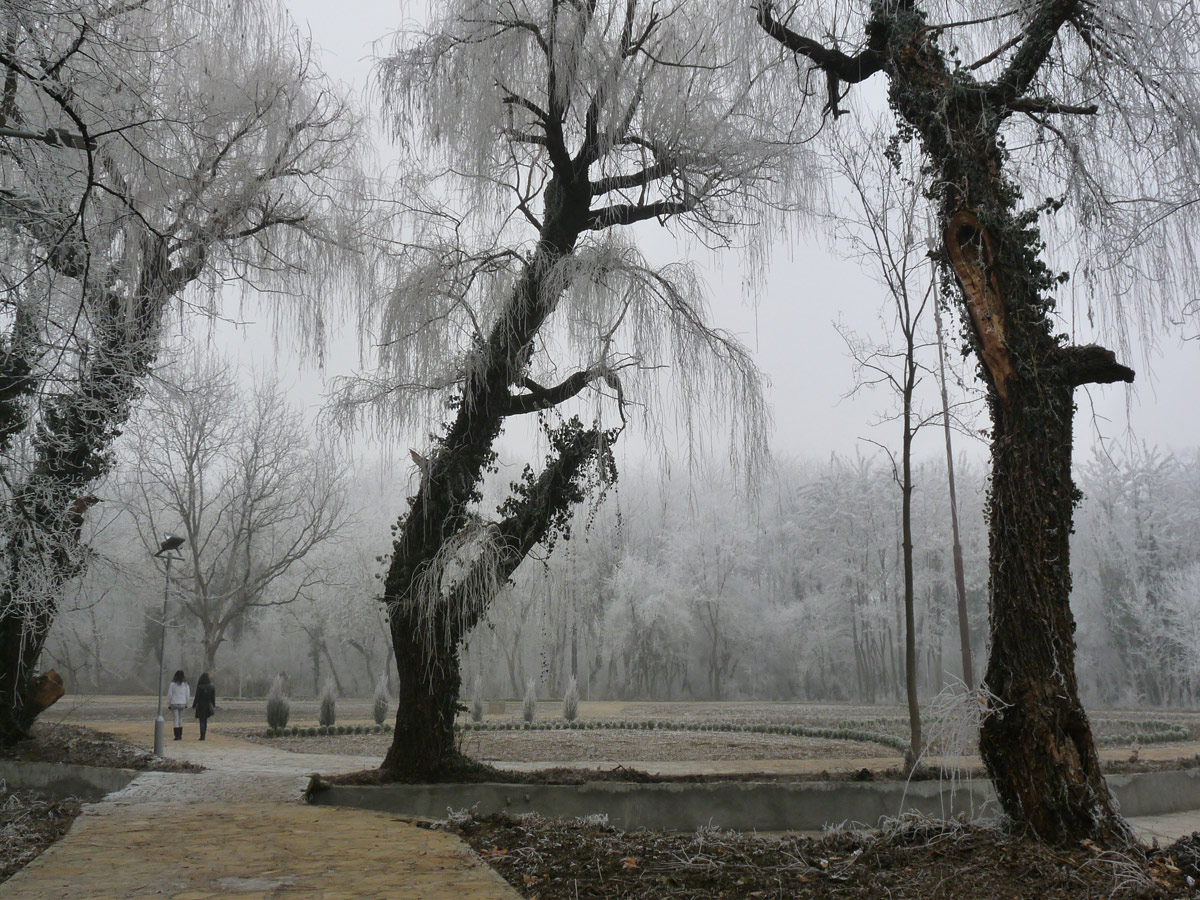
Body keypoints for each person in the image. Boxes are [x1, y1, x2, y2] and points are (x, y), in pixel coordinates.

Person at [166, 670, 189, 740]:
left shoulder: (172, 684)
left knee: (176, 719)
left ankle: (176, 735)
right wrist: (186, 703)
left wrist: (169, 703)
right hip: (182, 703)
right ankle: (180, 734)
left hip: (174, 702)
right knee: (181, 718)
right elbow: (187, 695)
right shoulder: (186, 684)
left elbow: (170, 695)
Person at [192, 672, 216, 741]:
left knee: (201, 720)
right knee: (205, 721)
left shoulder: (199, 687)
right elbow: (213, 698)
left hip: (201, 706)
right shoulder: (212, 687)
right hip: (208, 706)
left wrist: (194, 705)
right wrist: (213, 706)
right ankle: (204, 734)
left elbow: (197, 697)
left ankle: (202, 735)